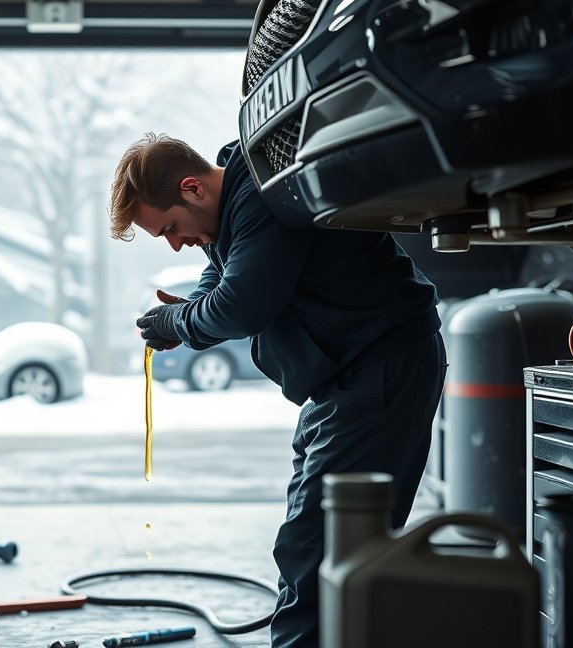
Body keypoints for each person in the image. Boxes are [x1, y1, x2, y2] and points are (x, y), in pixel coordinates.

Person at [109, 133, 448, 648]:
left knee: (318, 544)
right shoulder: (237, 200)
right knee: (318, 541)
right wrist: (190, 313)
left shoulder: (264, 195)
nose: (175, 244)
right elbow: (220, 276)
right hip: (347, 374)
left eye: (171, 228)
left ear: (192, 188)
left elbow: (241, 305)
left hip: (379, 365)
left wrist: (179, 322)